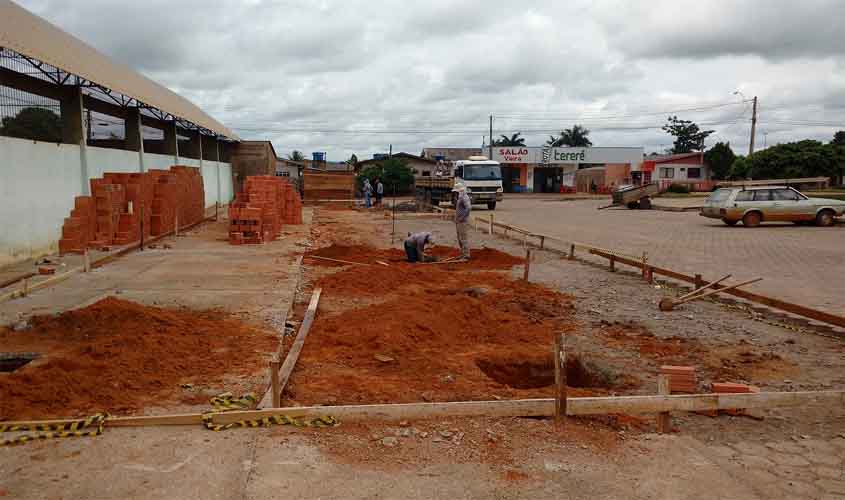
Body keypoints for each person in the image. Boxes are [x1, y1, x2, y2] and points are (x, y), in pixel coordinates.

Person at [453, 182, 471, 260]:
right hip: (458, 221)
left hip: (462, 221)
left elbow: (469, 208)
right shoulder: (460, 197)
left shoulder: (464, 197)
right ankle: (463, 254)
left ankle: (466, 255)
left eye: (456, 191)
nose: (455, 193)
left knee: (463, 238)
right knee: (459, 238)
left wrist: (463, 217)